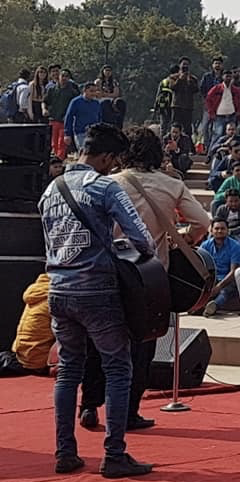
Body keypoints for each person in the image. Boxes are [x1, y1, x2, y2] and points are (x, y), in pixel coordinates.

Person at [39, 123, 156, 478]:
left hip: (58, 289)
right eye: (114, 160)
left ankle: (65, 452)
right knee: (118, 367)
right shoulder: (104, 187)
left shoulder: (51, 189)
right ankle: (114, 454)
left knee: (68, 370)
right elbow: (142, 239)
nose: (114, 166)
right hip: (96, 290)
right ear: (105, 157)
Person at [76, 127, 207, 433]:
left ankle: (89, 405)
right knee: (142, 345)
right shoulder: (171, 185)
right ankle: (129, 412)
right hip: (150, 276)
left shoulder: (109, 182)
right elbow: (202, 221)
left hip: (108, 271)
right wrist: (184, 238)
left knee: (98, 341)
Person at [201, 219, 240, 317]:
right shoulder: (205, 245)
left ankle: (214, 306)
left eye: (222, 228)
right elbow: (201, 266)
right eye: (216, 228)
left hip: (228, 279)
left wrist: (219, 286)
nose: (219, 231)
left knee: (225, 291)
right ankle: (201, 306)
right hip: (211, 278)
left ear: (227, 230)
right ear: (211, 231)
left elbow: (233, 271)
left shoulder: (235, 246)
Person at [63, 82, 103, 152]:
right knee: (83, 152)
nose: (93, 93)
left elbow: (99, 118)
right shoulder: (76, 102)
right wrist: (67, 134)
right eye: (91, 91)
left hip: (94, 134)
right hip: (80, 133)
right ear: (85, 91)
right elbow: (69, 117)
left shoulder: (96, 103)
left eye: (95, 91)